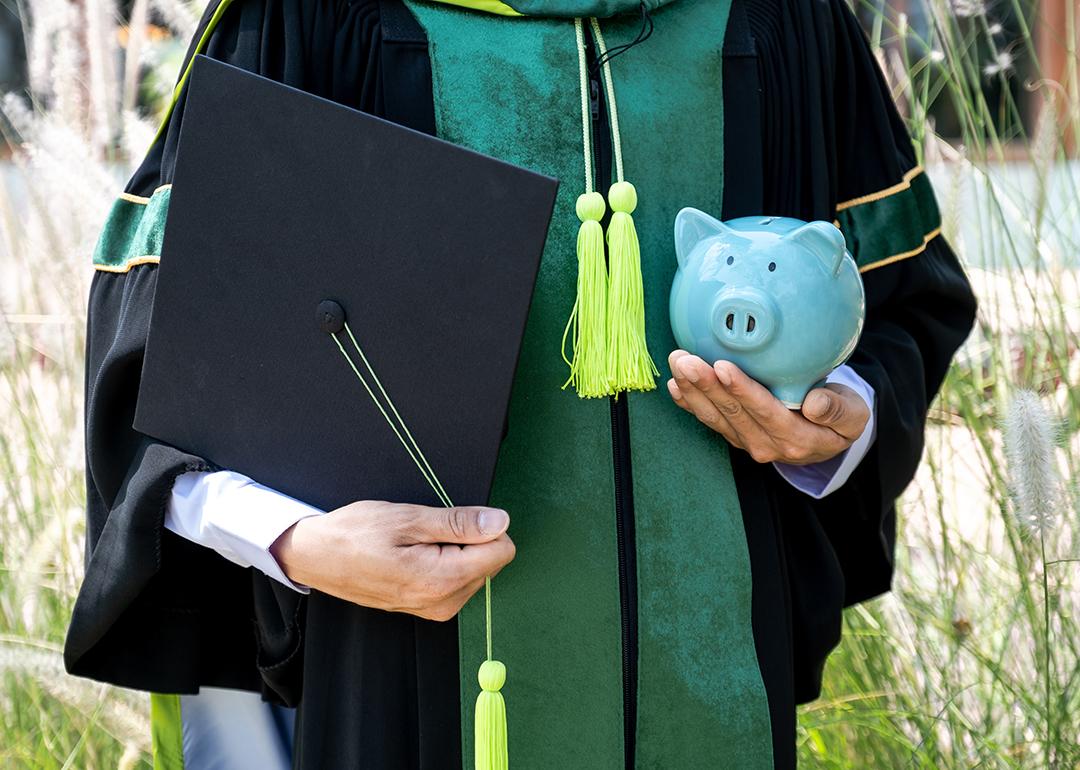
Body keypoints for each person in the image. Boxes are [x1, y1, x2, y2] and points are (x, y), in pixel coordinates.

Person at [65, 0, 978, 767]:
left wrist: (842, 417)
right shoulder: (308, 16)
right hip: (407, 687)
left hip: (721, 683)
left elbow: (903, 302)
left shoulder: (778, 18)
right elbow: (160, 373)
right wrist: (297, 541)